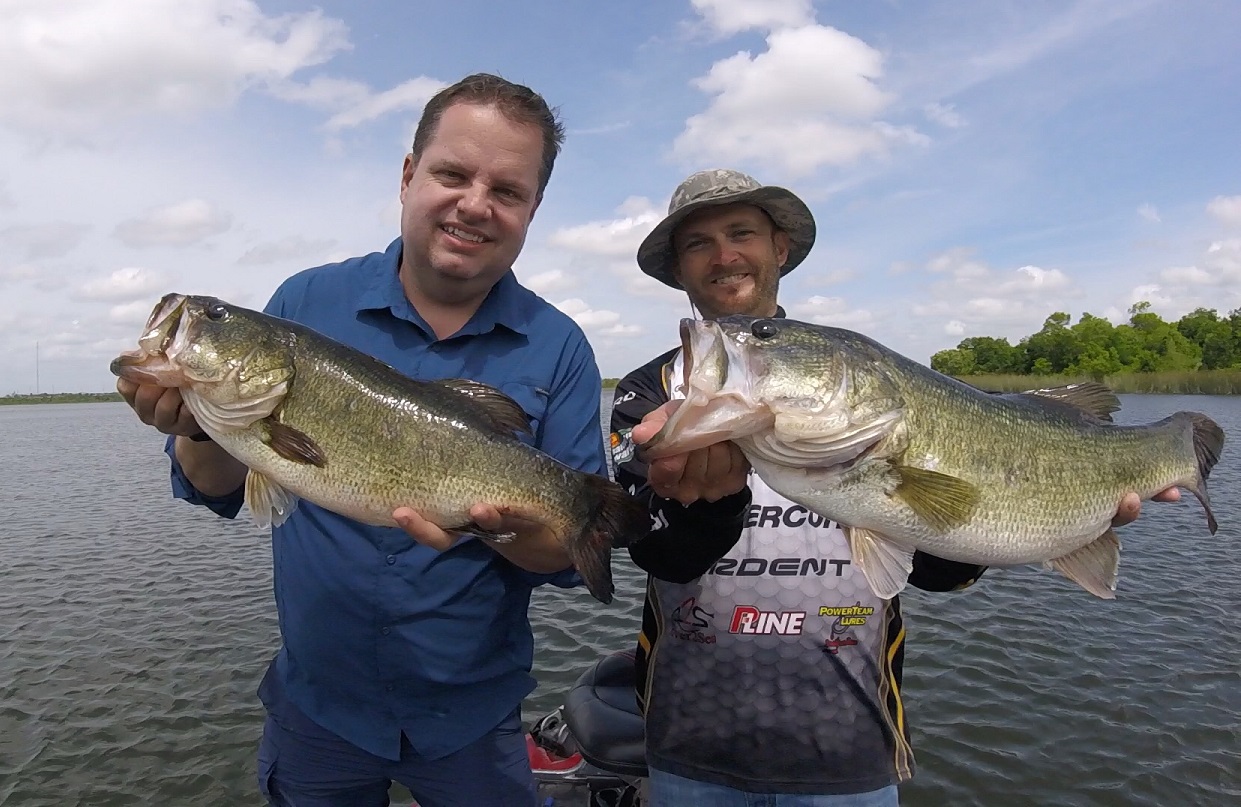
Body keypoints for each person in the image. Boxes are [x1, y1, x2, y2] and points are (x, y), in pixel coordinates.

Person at [608, 168, 1177, 805]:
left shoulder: (873, 378)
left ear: (779, 249)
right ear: (678, 269)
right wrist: (708, 507)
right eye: (698, 243)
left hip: (852, 748)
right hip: (689, 749)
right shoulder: (648, 394)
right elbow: (660, 555)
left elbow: (939, 574)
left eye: (741, 233)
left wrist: (1068, 517)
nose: (724, 256)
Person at [118, 73, 609, 807]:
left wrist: (498, 527)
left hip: (470, 716)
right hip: (319, 708)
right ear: (409, 176)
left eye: (507, 190)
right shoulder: (304, 302)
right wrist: (196, 425)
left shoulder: (559, 345)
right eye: (452, 174)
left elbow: (565, 553)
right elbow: (217, 485)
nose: (475, 203)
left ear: (532, 209)